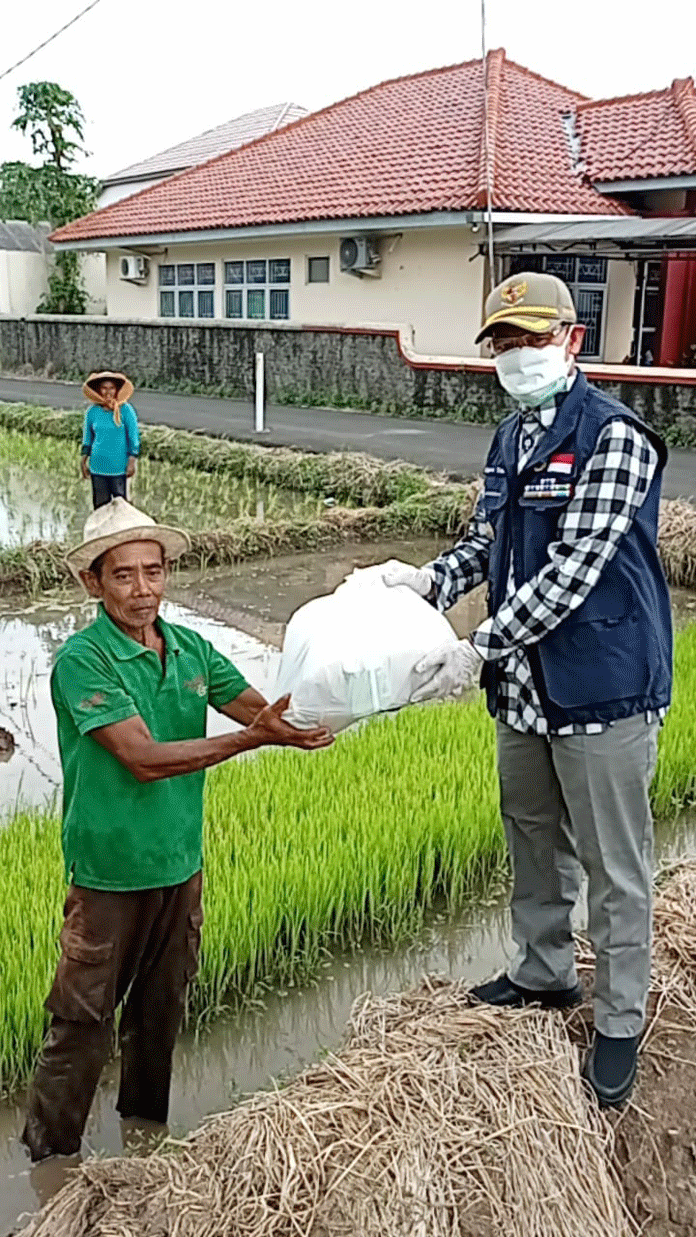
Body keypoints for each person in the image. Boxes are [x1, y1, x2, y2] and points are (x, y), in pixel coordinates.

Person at [375, 271, 672, 1109]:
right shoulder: (508, 439)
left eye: (532, 340)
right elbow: (487, 544)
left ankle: (618, 1021)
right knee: (532, 835)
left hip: (601, 686)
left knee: (616, 864)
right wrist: (424, 582)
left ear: (572, 342)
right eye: (503, 343)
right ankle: (543, 973)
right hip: (526, 691)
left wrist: (476, 647)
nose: (516, 356)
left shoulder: (615, 438)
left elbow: (571, 572)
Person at [21, 498, 333, 1162]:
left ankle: (145, 1142)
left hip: (178, 865)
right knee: (80, 1023)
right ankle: (50, 1163)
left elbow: (260, 708)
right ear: (93, 583)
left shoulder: (190, 648)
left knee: (159, 1018)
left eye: (153, 572)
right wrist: (253, 739)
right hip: (108, 872)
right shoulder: (84, 661)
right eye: (125, 575)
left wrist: (312, 716)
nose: (143, 590)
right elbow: (142, 757)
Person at [80, 371, 140, 509]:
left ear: (117, 390)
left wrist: (132, 461)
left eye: (111, 388)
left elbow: (133, 437)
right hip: (97, 467)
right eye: (104, 388)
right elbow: (87, 439)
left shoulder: (125, 410)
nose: (108, 392)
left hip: (119, 468)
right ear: (98, 390)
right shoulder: (92, 412)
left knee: (121, 508)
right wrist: (83, 462)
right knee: (100, 508)